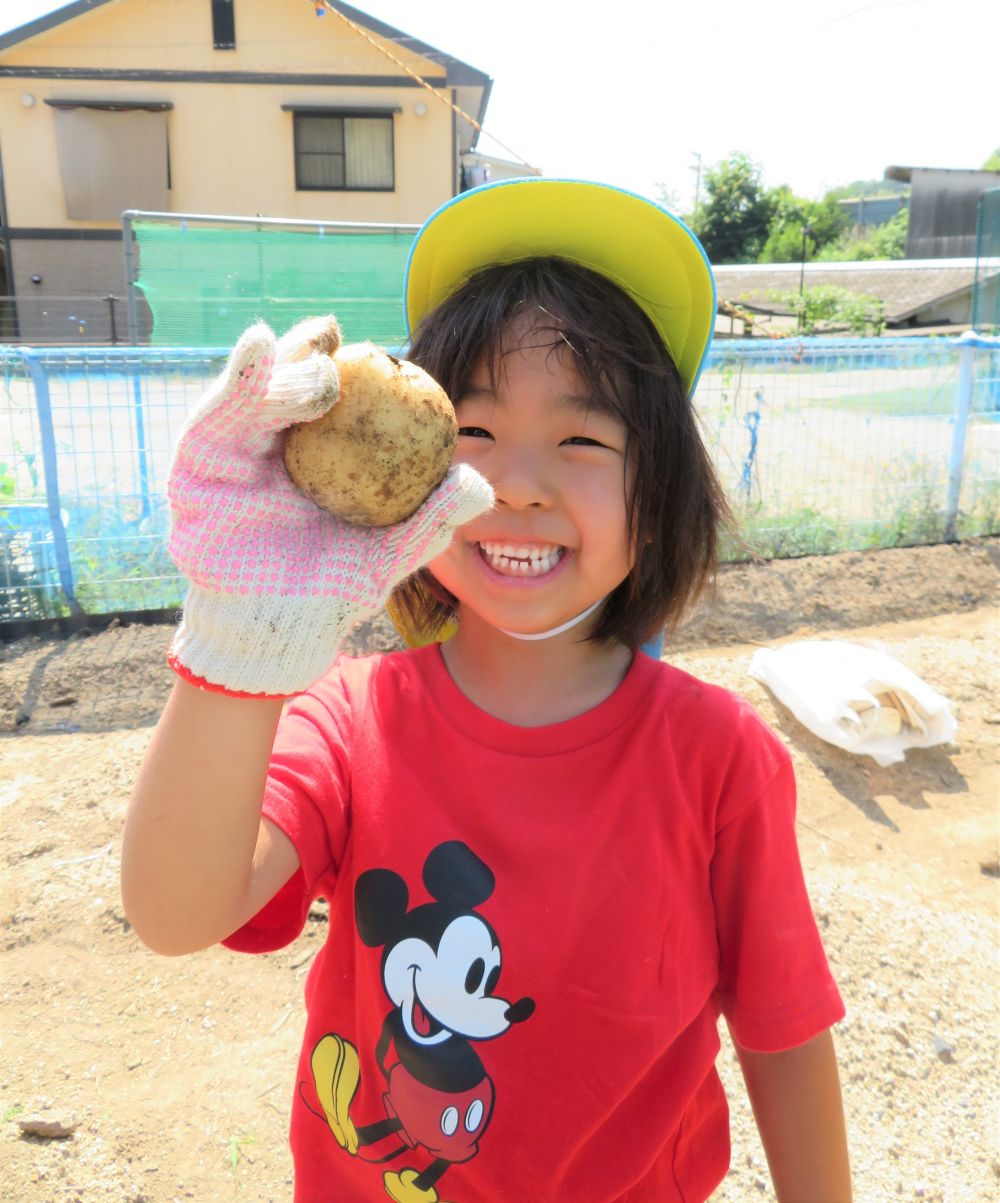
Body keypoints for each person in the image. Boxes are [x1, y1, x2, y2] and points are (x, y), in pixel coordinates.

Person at [122, 178, 851, 1203]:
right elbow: (173, 911)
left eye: (583, 439)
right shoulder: (348, 720)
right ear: (414, 468)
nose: (519, 483)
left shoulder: (719, 756)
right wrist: (238, 641)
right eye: (472, 432)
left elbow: (780, 1031)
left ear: (662, 491)